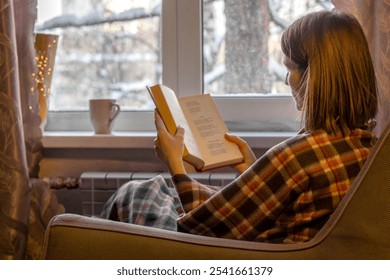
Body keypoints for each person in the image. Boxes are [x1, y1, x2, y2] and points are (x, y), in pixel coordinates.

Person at [101, 10, 378, 243]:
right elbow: (278, 207)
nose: (286, 80)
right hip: (273, 240)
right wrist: (251, 170)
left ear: (315, 77)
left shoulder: (298, 157)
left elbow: (202, 227)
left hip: (236, 253)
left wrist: (175, 164)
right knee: (159, 187)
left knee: (134, 194)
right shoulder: (369, 150)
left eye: (290, 67)